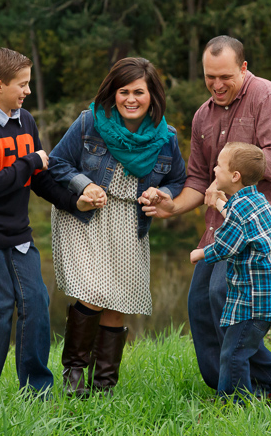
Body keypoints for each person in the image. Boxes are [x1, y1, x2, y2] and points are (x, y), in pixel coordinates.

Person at [140, 35, 271, 399]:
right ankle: (229, 384)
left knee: (222, 296)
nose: (216, 84)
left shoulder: (269, 99)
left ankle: (265, 387)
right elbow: (198, 177)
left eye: (225, 76)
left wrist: (226, 183)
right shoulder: (203, 115)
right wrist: (172, 205)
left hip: (259, 227)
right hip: (221, 226)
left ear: (243, 68)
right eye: (209, 77)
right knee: (200, 305)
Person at [0, 47, 96, 397]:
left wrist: (74, 201)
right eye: (23, 85)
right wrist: (31, 161)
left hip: (16, 231)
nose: (28, 91)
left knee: (35, 301)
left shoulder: (25, 121)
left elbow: (39, 178)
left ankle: (37, 391)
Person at [48, 57, 187, 396]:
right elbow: (57, 162)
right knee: (94, 292)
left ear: (152, 94)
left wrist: (162, 192)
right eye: (123, 91)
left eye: (138, 92)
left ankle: (104, 385)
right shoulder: (89, 122)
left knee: (119, 300)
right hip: (85, 217)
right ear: (113, 92)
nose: (130, 99)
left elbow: (178, 179)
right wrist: (83, 185)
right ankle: (73, 376)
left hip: (130, 221)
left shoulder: (166, 137)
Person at [189, 142, 271, 402]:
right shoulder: (254, 199)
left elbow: (226, 246)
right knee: (240, 348)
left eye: (219, 166)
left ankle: (235, 403)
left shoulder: (240, 210)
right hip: (263, 297)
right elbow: (238, 218)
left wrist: (200, 253)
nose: (214, 169)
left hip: (254, 300)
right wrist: (219, 204)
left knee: (233, 353)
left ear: (234, 176)